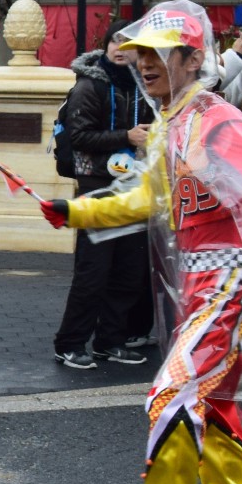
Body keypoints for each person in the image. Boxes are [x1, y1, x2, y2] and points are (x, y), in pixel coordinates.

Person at [39, 1, 242, 484]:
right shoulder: (174, 123)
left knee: (173, 391)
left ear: (192, 59)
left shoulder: (216, 119)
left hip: (230, 280)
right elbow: (147, 200)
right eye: (139, 56)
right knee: (209, 405)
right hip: (201, 284)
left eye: (158, 55)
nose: (144, 65)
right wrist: (75, 211)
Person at [54, 29, 156, 368]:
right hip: (96, 184)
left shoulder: (144, 87)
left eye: (129, 45)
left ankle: (110, 341)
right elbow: (79, 135)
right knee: (92, 271)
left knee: (129, 270)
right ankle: (69, 342)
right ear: (106, 46)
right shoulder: (89, 85)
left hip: (133, 187)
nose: (120, 50)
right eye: (115, 42)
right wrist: (125, 136)